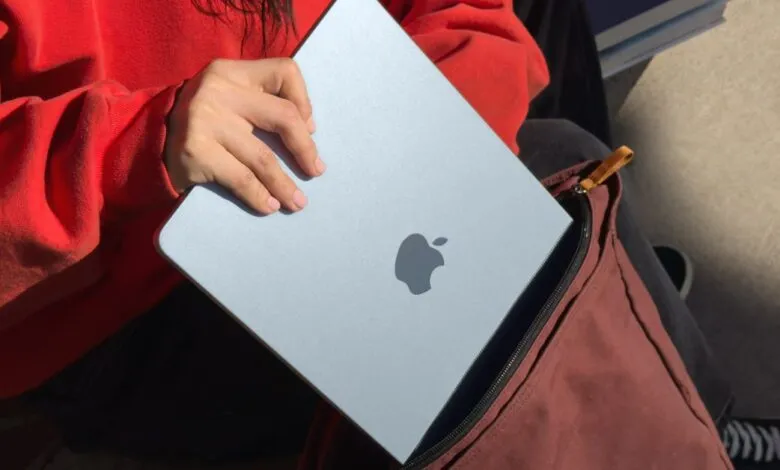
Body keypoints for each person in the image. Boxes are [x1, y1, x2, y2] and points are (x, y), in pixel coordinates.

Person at [0, 0, 549, 464]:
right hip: (123, 297)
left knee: (567, 197)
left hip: (375, 182)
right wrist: (135, 144)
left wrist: (427, 132)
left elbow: (466, 15)